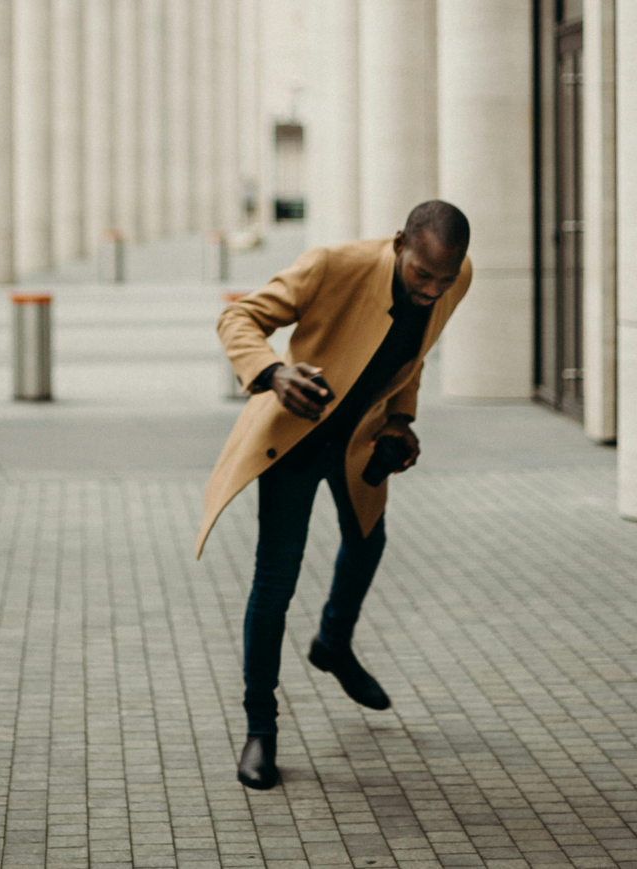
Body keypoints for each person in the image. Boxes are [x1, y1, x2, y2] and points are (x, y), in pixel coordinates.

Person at [195, 200, 473, 790]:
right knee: (275, 582)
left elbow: (412, 357)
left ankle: (333, 643)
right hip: (294, 439)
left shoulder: (455, 277)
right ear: (400, 243)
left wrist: (400, 420)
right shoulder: (332, 265)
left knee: (368, 542)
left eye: (443, 280)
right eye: (422, 275)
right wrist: (273, 373)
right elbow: (239, 319)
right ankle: (260, 732)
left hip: (360, 444)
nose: (431, 290)